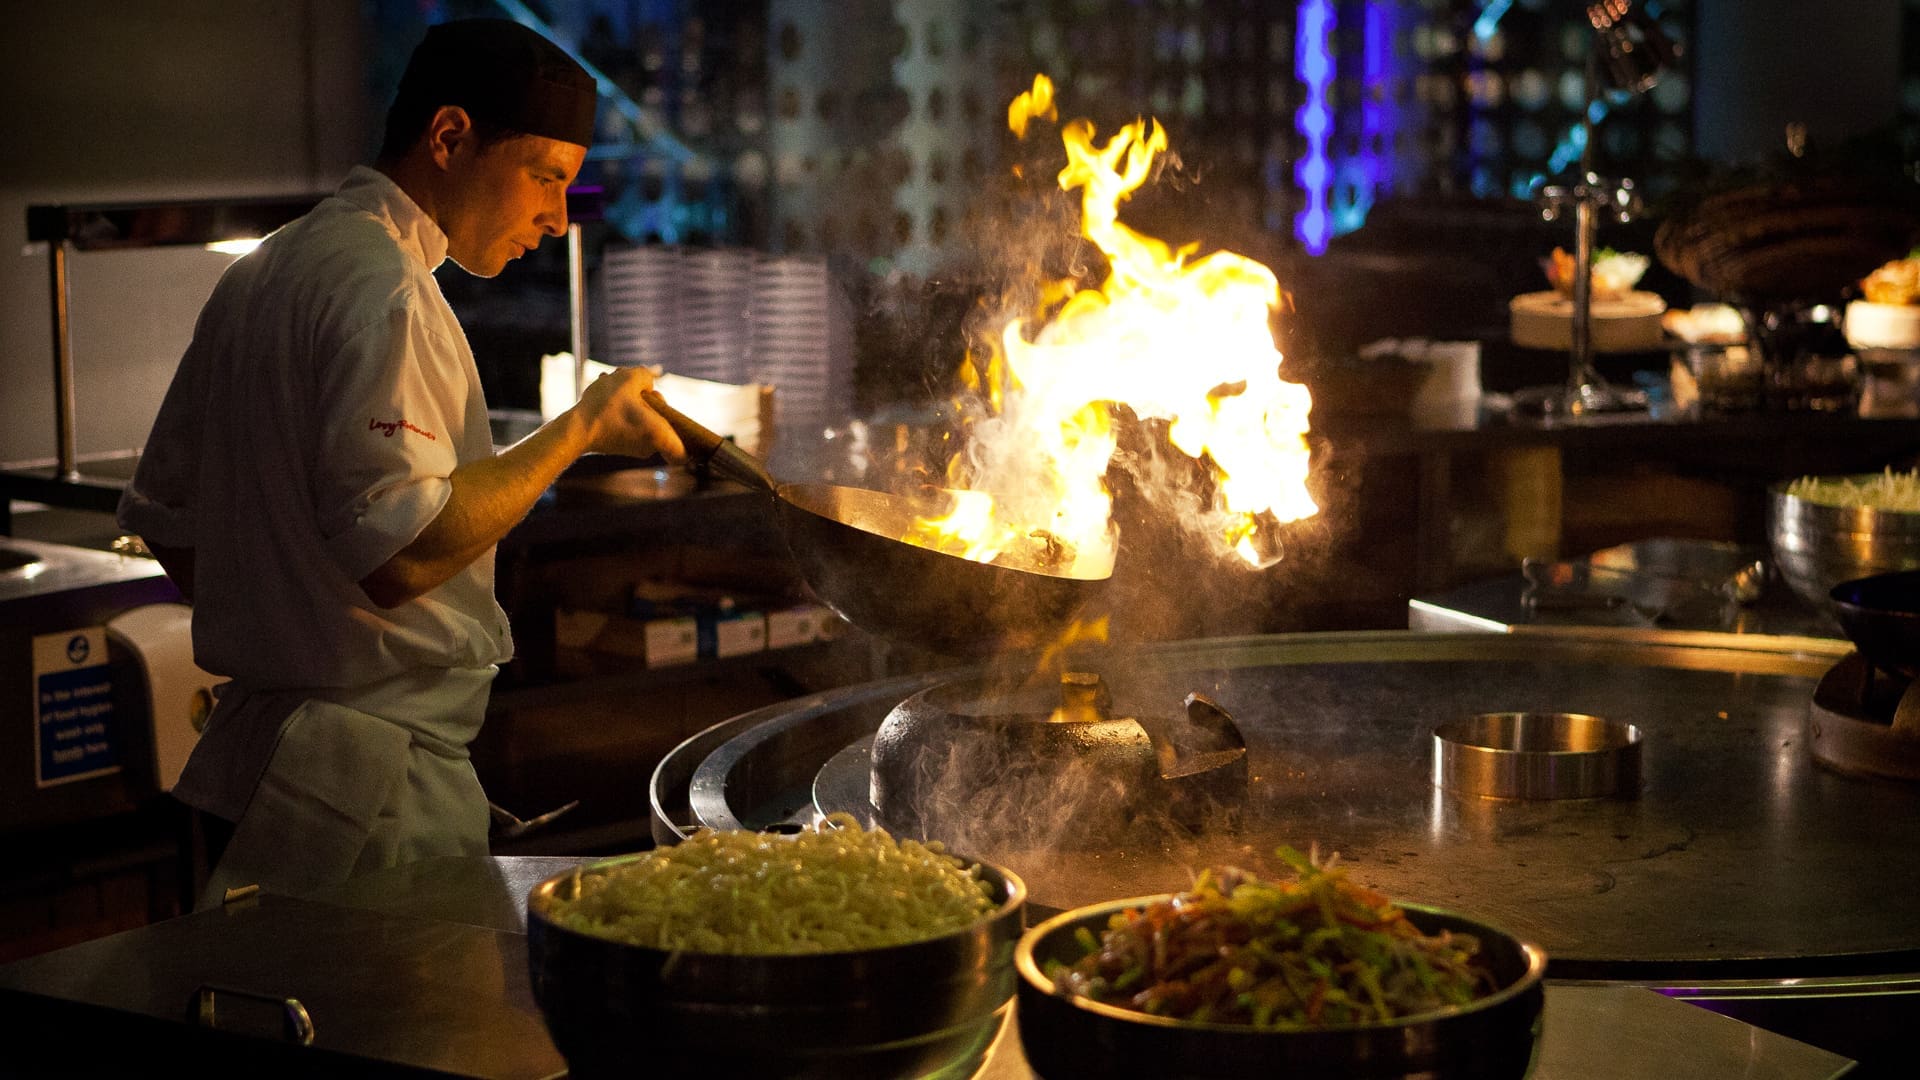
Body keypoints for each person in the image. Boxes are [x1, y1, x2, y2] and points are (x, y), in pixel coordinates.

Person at [117, 18, 682, 908]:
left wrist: (296, 623)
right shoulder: (386, 289)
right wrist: (580, 429)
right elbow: (401, 554)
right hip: (366, 793)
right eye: (546, 177)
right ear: (450, 136)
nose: (557, 216)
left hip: (260, 770)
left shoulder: (263, 271)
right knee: (396, 1036)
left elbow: (174, 527)